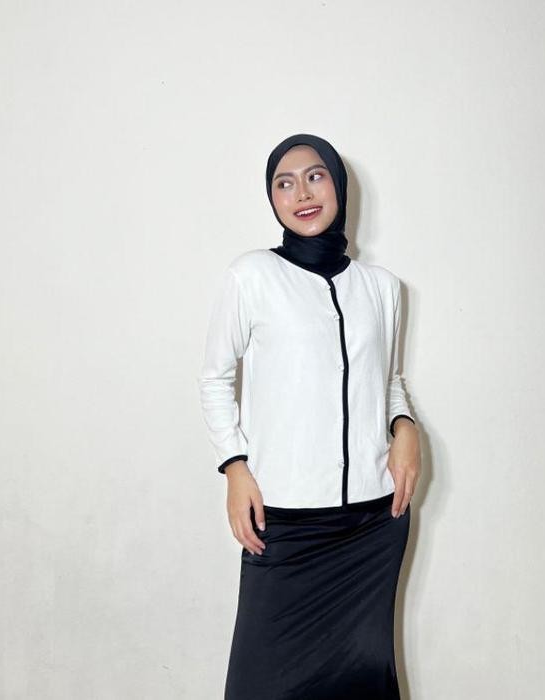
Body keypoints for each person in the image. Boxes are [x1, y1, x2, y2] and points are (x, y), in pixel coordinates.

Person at [198, 133, 421, 699]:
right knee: (258, 686)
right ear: (271, 198)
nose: (302, 193)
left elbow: (390, 383)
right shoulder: (252, 276)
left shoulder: (383, 288)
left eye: (315, 176)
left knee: (361, 683)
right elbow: (215, 379)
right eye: (285, 183)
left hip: (372, 523)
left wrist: (405, 428)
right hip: (286, 523)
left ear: (339, 187)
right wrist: (235, 467)